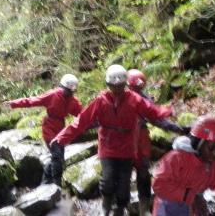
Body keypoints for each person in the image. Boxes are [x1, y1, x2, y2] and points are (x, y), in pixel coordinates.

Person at [50, 65, 174, 216]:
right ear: (108, 85)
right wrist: (61, 138)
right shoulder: (101, 101)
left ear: (125, 85)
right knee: (108, 179)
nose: (116, 90)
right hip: (107, 146)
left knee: (124, 185)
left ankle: (119, 210)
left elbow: (152, 111)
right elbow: (82, 121)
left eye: (120, 86)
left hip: (127, 148)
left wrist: (168, 111)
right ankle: (106, 205)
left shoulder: (134, 99)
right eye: (113, 86)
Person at [152, 117, 215, 216]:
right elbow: (158, 185)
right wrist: (190, 197)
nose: (214, 154)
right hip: (167, 209)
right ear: (197, 143)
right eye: (211, 148)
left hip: (191, 208)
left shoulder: (211, 164)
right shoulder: (175, 158)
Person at [127, 69, 191, 215]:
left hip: (140, 137)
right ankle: (123, 205)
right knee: (125, 172)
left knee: (143, 171)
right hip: (125, 138)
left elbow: (155, 118)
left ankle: (144, 207)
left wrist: (176, 128)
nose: (137, 90)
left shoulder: (143, 99)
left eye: (139, 88)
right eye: (135, 87)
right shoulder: (119, 98)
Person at [3, 74, 82, 185]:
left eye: (71, 92)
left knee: (58, 159)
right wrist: (13, 104)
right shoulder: (53, 95)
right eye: (67, 91)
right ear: (62, 87)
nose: (69, 93)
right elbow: (32, 101)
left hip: (61, 129)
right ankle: (56, 185)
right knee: (57, 156)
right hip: (49, 128)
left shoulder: (73, 101)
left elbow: (83, 114)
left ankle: (45, 182)